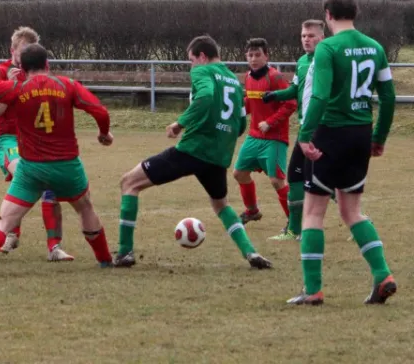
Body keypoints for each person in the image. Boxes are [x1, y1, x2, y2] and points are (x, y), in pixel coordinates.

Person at [0, 33, 114, 276]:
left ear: (22, 68)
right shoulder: (67, 85)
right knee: (85, 208)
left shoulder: (15, 88)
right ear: (47, 64)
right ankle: (105, 259)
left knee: (5, 219)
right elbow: (100, 111)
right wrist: (103, 134)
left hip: (31, 168)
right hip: (67, 166)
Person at [114, 35, 272, 270]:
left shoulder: (202, 72)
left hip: (191, 150)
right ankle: (250, 252)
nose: (191, 66)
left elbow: (206, 96)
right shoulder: (234, 80)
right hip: (219, 156)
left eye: (191, 60)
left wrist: (180, 123)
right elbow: (240, 124)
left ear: (202, 56)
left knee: (129, 183)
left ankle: (125, 251)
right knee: (221, 206)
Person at [287, 0, 397, 305]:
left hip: (329, 134)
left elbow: (319, 96)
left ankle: (313, 290)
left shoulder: (328, 48)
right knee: (352, 211)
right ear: (355, 13)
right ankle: (383, 275)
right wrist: (379, 137)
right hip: (360, 134)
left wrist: (306, 135)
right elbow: (388, 97)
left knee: (312, 213)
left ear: (328, 15)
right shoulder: (375, 47)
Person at [0, 26, 72, 261]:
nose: (25, 56)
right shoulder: (1, 72)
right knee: (23, 175)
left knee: (50, 186)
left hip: (36, 140)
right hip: (7, 139)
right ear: (12, 51)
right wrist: (9, 86)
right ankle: (11, 234)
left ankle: (54, 248)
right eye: (22, 50)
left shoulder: (37, 73)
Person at [262, 20, 325, 241]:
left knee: (305, 175)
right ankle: (295, 230)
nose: (306, 39)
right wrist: (275, 95)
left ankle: (296, 230)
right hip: (306, 127)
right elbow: (295, 90)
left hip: (320, 127)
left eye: (311, 35)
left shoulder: (327, 60)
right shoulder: (302, 62)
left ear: (322, 37)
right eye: (303, 35)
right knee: (304, 176)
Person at [233, 38, 296, 234]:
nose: (253, 59)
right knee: (239, 174)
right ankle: (252, 211)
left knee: (277, 181)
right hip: (254, 136)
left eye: (258, 55)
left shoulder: (275, 77)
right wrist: (236, 107)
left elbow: (291, 103)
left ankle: (295, 224)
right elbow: (251, 103)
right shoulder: (249, 77)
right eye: (250, 55)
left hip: (274, 138)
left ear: (266, 56)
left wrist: (270, 122)